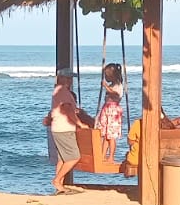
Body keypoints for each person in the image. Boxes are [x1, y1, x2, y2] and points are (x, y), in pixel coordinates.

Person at [45, 66, 93, 195]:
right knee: (74, 157)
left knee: (63, 158)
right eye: (68, 78)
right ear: (62, 78)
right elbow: (67, 110)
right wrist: (80, 123)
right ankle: (57, 180)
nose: (70, 80)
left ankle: (60, 184)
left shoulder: (58, 91)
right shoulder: (63, 92)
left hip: (59, 127)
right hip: (64, 128)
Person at [96, 63, 125, 162]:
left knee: (111, 136)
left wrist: (106, 87)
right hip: (107, 109)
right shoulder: (112, 85)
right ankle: (102, 156)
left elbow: (115, 94)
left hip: (113, 110)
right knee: (106, 135)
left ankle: (111, 157)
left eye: (106, 76)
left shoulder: (118, 85)